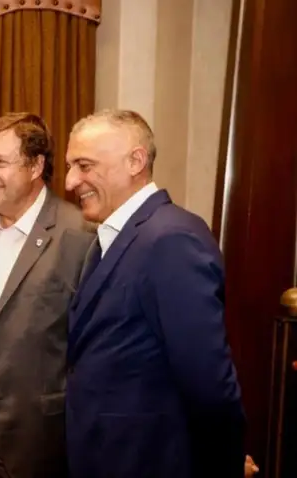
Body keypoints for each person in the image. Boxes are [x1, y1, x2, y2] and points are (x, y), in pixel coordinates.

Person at [64, 109, 246, 478]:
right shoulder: (112, 237)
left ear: (135, 161)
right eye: (70, 167)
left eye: (84, 166)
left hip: (149, 460)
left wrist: (223, 463)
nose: (70, 182)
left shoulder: (171, 239)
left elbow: (207, 380)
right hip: (106, 455)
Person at [0, 113, 93, 478]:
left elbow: (89, 347)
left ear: (36, 166)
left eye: (0, 162)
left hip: (31, 433)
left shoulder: (79, 235)